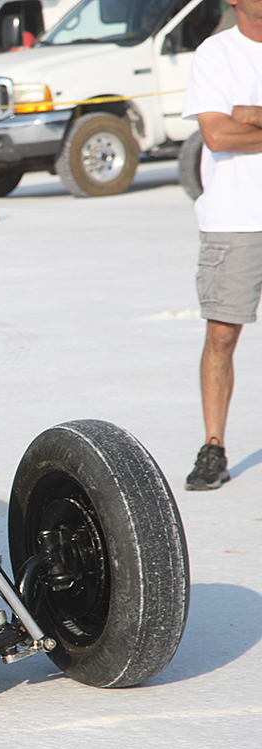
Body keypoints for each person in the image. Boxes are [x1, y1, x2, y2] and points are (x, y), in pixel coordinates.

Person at [180, 0, 262, 491]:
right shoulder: (216, 54)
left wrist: (250, 115)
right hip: (234, 218)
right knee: (222, 336)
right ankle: (213, 447)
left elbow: (235, 127)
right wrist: (234, 121)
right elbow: (216, 134)